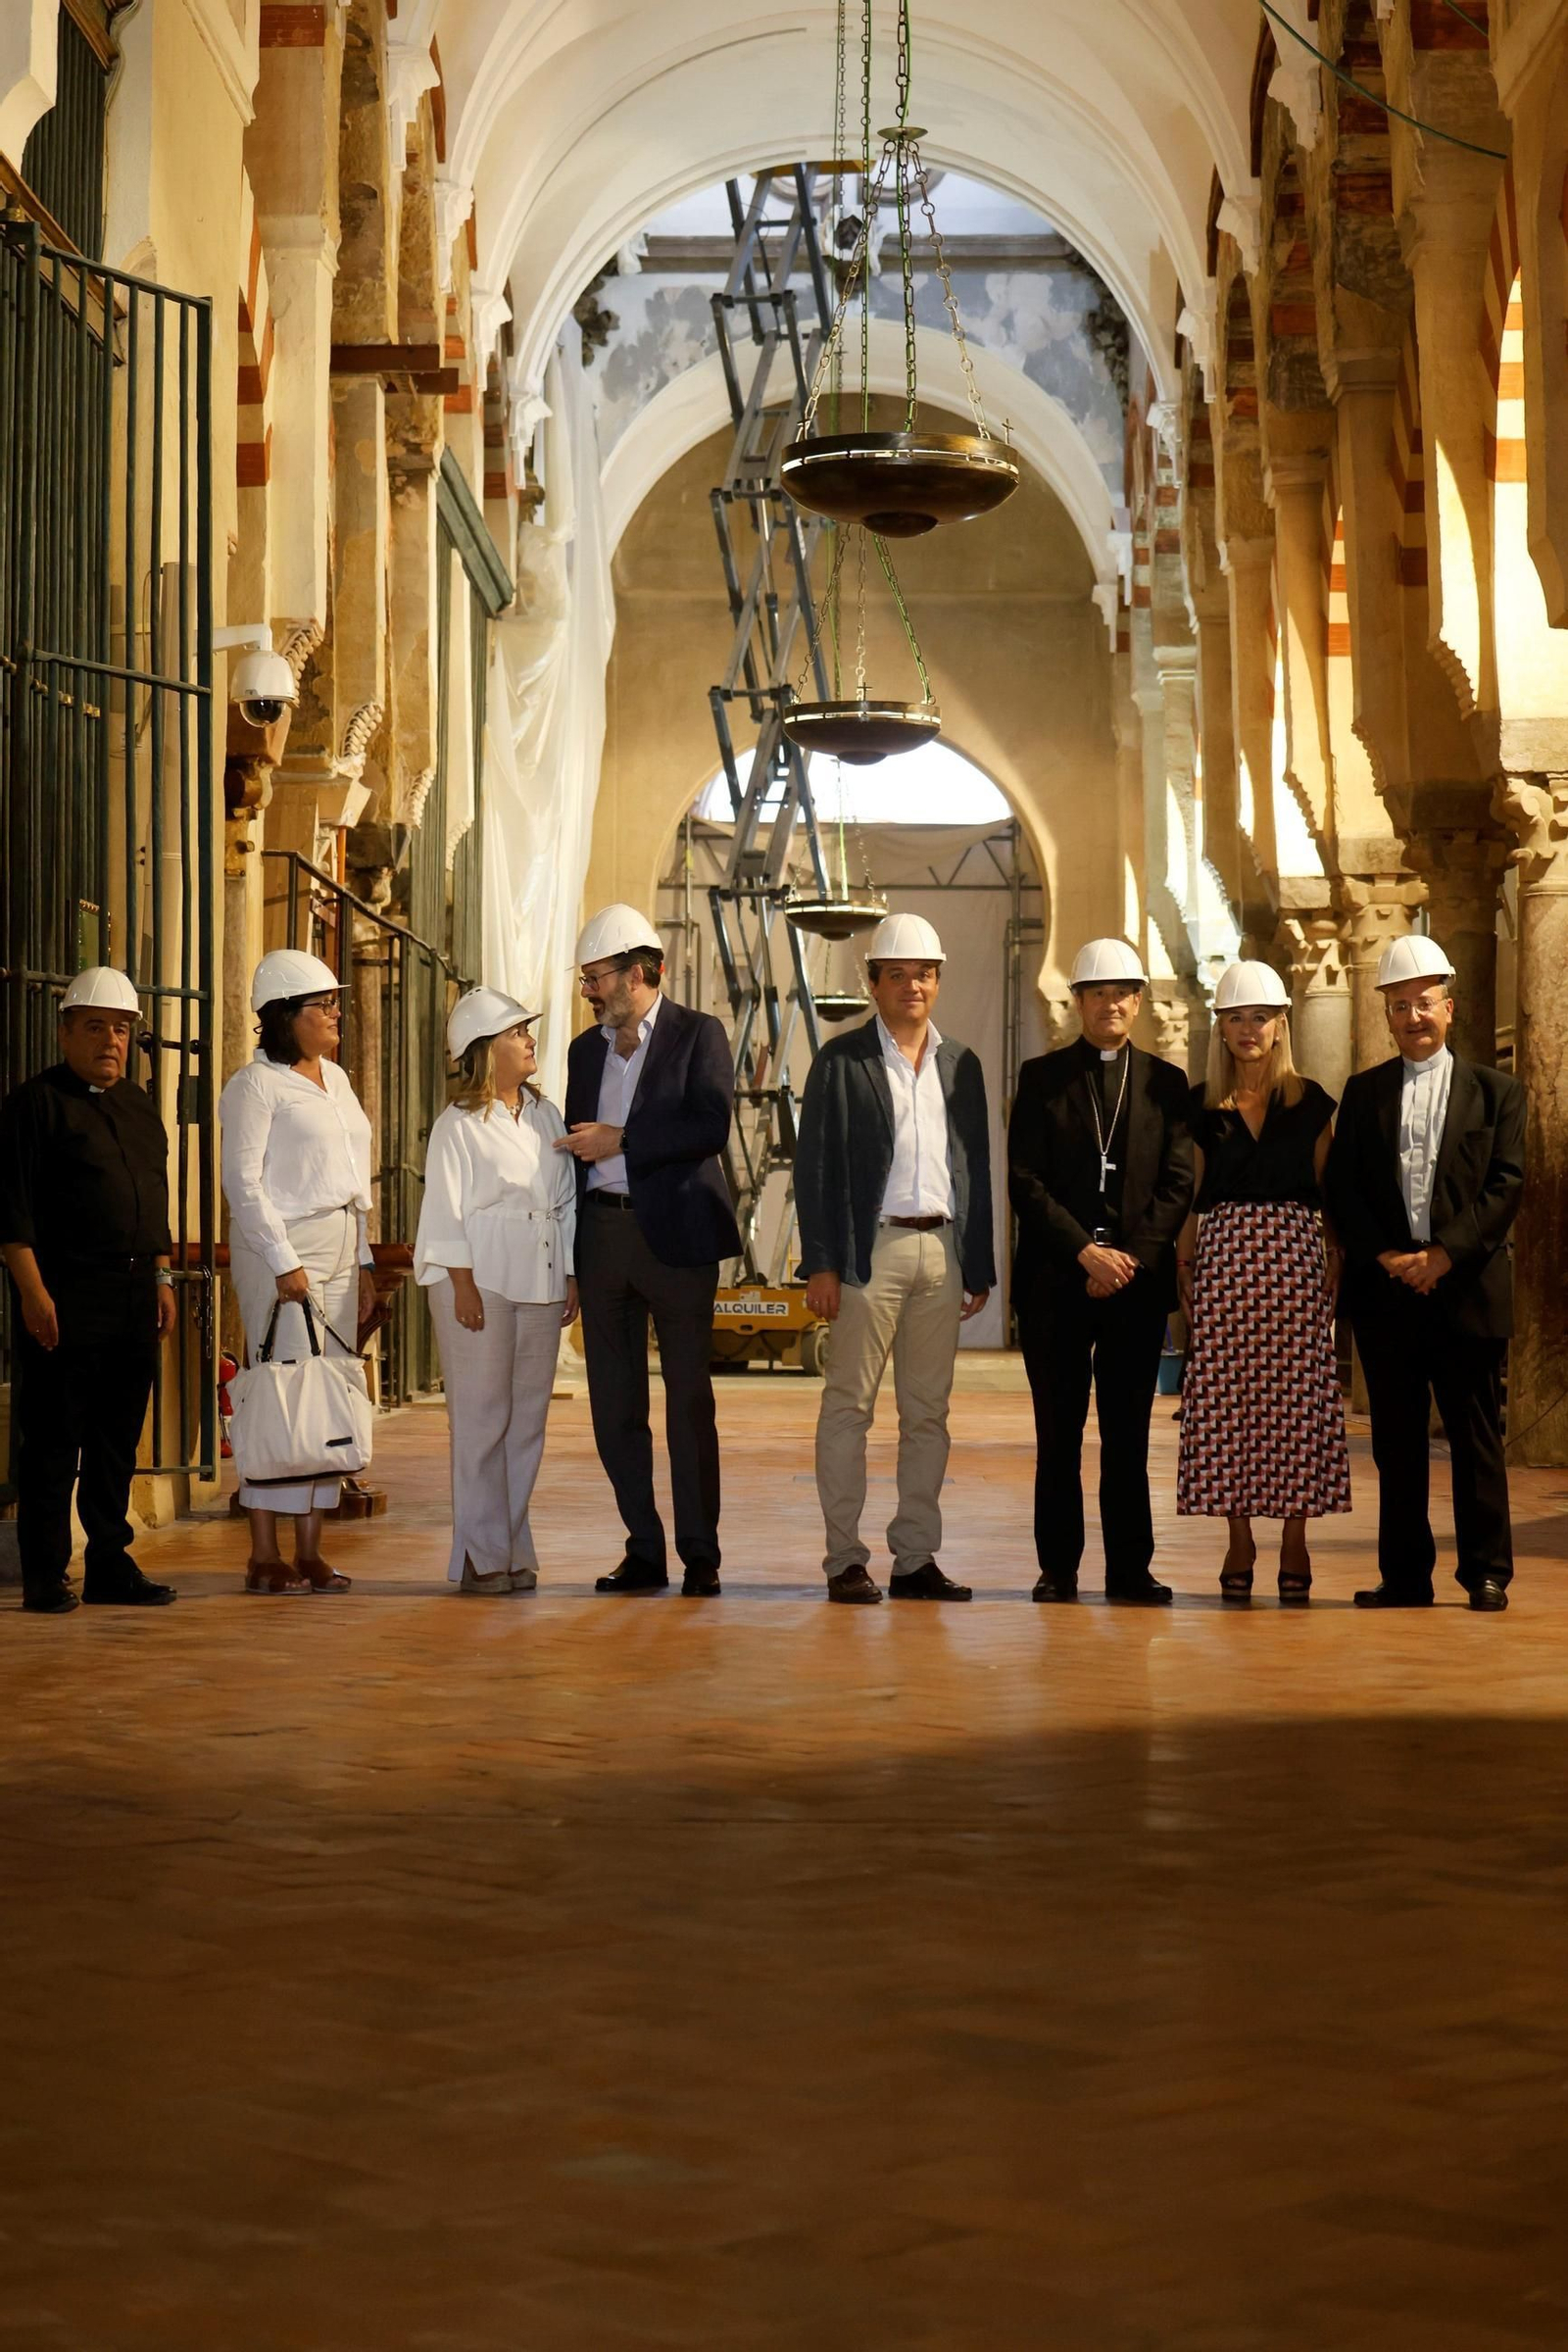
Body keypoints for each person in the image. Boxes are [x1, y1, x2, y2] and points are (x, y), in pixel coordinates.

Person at [795, 912, 994, 1604]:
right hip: (865, 1253)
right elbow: (813, 1167)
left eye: (925, 974)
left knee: (927, 1413)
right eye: (899, 975)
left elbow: (971, 1168)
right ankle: (845, 1559)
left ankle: (915, 1558)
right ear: (873, 984)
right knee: (848, 1405)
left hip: (941, 1250)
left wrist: (979, 1262)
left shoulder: (959, 1064)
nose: (914, 985)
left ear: (939, 982)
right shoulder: (841, 1062)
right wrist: (820, 1262)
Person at [1325, 935, 1525, 1613]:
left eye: (1425, 1004)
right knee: (1398, 1444)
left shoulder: (1498, 1094)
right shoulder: (1364, 1092)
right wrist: (1385, 1253)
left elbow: (1506, 1186)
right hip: (1389, 1294)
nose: (1413, 1017)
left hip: (1465, 1288)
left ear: (1451, 1008)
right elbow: (1343, 1188)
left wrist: (1444, 1255)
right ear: (1386, 1013)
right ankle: (1406, 1576)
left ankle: (1487, 1573)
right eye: (1400, 1005)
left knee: (1475, 1438)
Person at [556, 905, 740, 1596]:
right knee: (614, 1405)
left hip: (679, 1241)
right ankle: (643, 1547)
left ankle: (700, 1555)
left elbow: (710, 1124)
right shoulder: (583, 1051)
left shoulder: (701, 1034)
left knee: (689, 1403)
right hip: (603, 1239)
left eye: (596, 978)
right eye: (584, 980)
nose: (588, 992)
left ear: (639, 973)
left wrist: (623, 1140)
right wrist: (570, 1261)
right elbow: (574, 1159)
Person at [1007, 937, 1195, 1603]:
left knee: (1127, 1436)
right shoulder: (1041, 1079)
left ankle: (1129, 1570)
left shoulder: (1169, 1086)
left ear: (1138, 1002)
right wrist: (1083, 1252)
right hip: (1057, 1281)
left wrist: (1130, 1259)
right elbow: (1025, 1182)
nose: (1110, 1004)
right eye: (1097, 993)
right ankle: (1058, 1567)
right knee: (1057, 1435)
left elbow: (1177, 1184)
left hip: (1136, 1288)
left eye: (1122, 993)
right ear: (1078, 1001)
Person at [0, 967, 179, 1614]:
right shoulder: (35, 1104)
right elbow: (10, 1210)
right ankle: (46, 1573)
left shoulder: (135, 1105)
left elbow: (154, 1199)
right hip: (64, 1292)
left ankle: (109, 1561)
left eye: (122, 1028)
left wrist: (161, 1274)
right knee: (52, 1438)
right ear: (65, 1032)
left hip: (134, 1294)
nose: (112, 1040)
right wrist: (33, 1293)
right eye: (97, 1026)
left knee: (115, 1439)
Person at [1175, 960, 1349, 1602]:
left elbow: (1330, 1194)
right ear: (1220, 1029)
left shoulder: (1312, 1103)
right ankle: (1240, 1535)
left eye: (1260, 1017)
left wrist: (1334, 1255)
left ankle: (1297, 1537)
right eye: (1236, 1018)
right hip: (1223, 1259)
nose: (1249, 1029)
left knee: (1300, 1401)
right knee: (1226, 1402)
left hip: (1296, 1258)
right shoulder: (1199, 1106)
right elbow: (1192, 1196)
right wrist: (1186, 1272)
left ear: (1282, 1025)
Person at [220, 950, 377, 1595]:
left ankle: (310, 1549)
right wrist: (284, 1262)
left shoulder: (335, 1079)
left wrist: (365, 1259)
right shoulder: (253, 1086)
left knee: (328, 1391)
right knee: (283, 1394)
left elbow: (352, 1181)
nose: (336, 1012)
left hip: (341, 1247)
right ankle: (263, 1552)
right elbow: (243, 1182)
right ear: (286, 1016)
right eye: (323, 1004)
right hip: (282, 1250)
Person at [415, 988, 578, 1596]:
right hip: (477, 1282)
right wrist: (461, 1284)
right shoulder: (456, 1125)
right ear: (486, 1050)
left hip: (537, 1276)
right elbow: (445, 1210)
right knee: (481, 1421)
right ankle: (484, 1557)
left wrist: (570, 1273)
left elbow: (564, 1201)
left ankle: (510, 1546)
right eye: (517, 1033)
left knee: (526, 1423)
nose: (529, 1040)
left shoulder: (545, 1114)